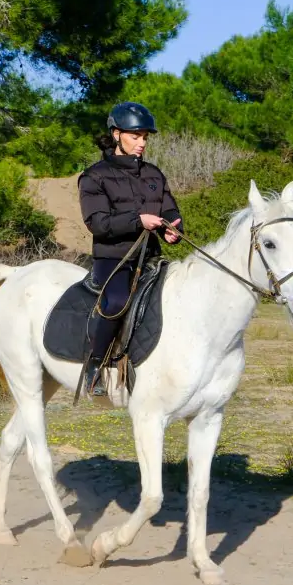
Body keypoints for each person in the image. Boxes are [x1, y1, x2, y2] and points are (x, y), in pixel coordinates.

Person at [76, 101, 184, 397]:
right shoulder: (93, 177)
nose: (141, 143)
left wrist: (174, 229)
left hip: (150, 258)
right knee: (117, 302)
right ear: (116, 135)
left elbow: (169, 209)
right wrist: (138, 221)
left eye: (145, 137)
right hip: (114, 259)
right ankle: (94, 367)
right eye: (135, 136)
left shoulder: (154, 175)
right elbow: (98, 223)